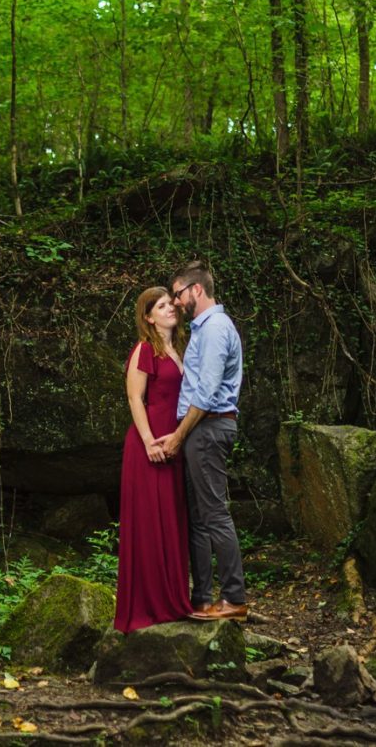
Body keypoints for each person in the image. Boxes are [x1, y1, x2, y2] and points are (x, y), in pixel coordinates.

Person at [156, 261, 246, 620]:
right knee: (198, 517)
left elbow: (206, 394)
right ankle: (201, 598)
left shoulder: (215, 329)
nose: (175, 303)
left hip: (207, 429)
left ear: (195, 290)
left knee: (214, 514)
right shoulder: (202, 330)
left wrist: (178, 436)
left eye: (177, 294)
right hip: (199, 431)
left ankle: (234, 599)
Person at [114, 285, 193, 632]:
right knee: (149, 524)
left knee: (171, 521)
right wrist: (148, 443)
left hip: (173, 444)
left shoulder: (179, 348)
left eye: (170, 303)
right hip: (149, 447)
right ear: (148, 316)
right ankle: (149, 606)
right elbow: (134, 398)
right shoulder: (145, 349)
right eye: (161, 306)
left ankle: (173, 600)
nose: (170, 308)